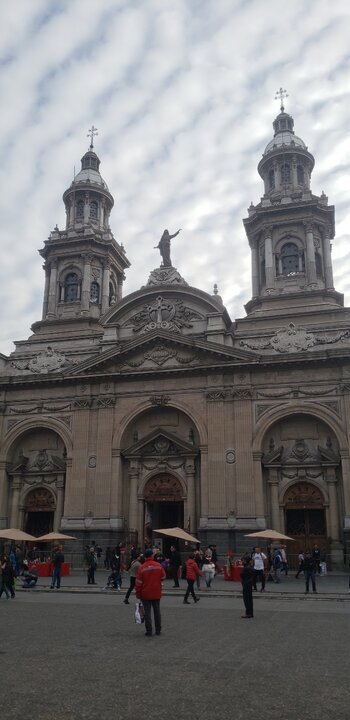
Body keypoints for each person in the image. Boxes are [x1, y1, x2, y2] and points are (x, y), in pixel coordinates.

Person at [136, 548, 166, 637]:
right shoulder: (158, 565)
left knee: (147, 613)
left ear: (145, 557)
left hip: (145, 593)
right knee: (157, 612)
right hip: (156, 592)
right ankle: (158, 630)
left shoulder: (142, 567)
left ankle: (149, 631)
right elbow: (163, 576)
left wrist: (138, 594)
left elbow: (138, 583)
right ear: (152, 556)